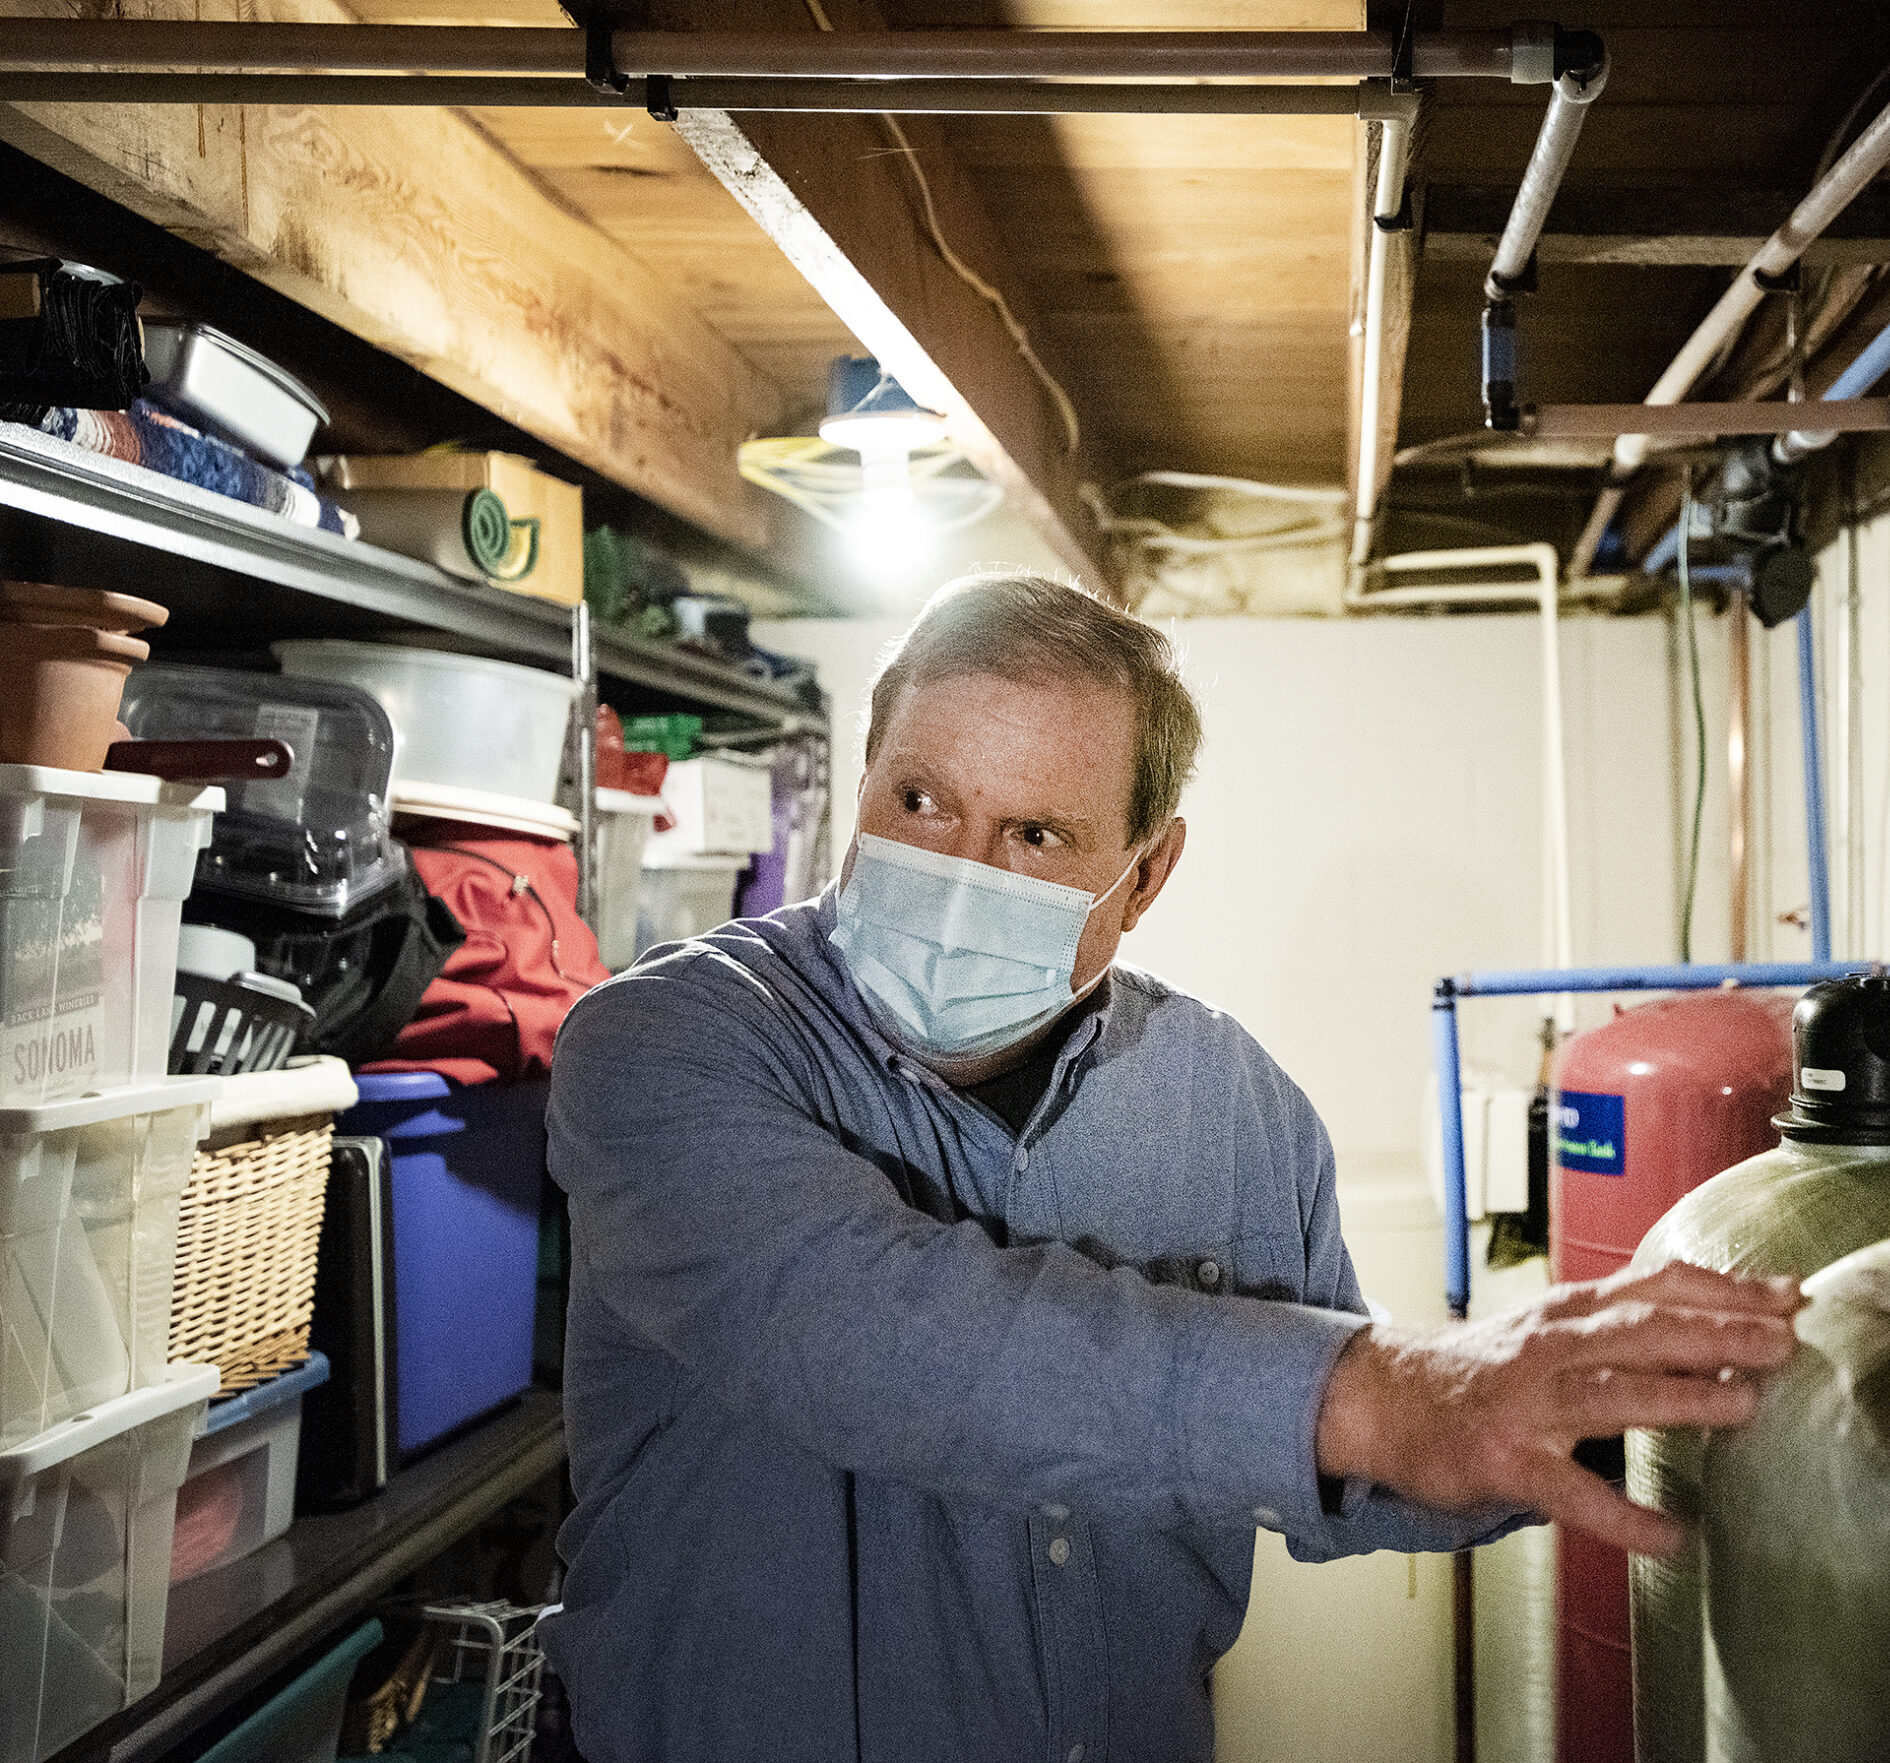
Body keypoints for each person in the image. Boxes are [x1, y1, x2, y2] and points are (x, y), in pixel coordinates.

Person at [543, 571, 1802, 1762]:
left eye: (1036, 832)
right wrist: (1380, 1391)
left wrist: (1609, 1413)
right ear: (862, 773)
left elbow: (1349, 1460)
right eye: (922, 802)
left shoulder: (1230, 1106)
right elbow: (861, 1324)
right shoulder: (667, 1047)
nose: (961, 876)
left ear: (1145, 874)